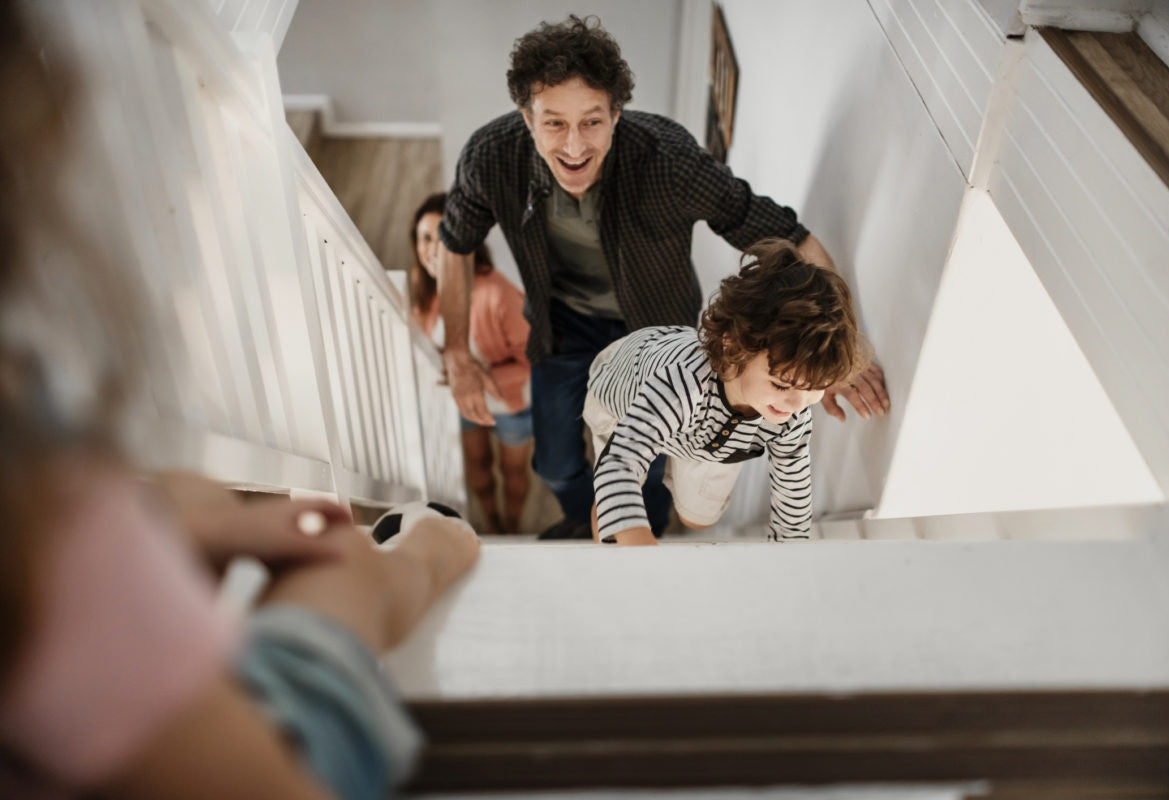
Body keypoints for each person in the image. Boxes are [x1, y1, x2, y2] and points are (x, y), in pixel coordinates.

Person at [0, 5, 479, 798]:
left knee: (192, 491)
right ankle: (439, 538)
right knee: (348, 555)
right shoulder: (36, 495)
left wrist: (171, 528)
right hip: (249, 756)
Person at [436, 14, 888, 541]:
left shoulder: (669, 161)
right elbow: (455, 244)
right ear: (526, 116)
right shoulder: (490, 157)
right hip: (561, 325)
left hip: (655, 332)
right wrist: (456, 351)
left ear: (617, 113)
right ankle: (592, 522)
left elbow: (790, 237)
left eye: (592, 121)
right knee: (555, 464)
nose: (575, 145)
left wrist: (841, 348)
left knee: (646, 463)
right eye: (554, 122)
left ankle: (641, 524)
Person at [585, 239, 866, 546]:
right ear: (733, 347)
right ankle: (610, 511)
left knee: (698, 518)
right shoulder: (681, 385)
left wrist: (790, 554)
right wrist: (638, 542)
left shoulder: (792, 411)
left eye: (814, 389)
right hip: (623, 388)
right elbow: (621, 460)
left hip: (707, 433)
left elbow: (792, 492)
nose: (798, 404)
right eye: (781, 385)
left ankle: (676, 455)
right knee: (617, 496)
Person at [410, 192, 532, 533]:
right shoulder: (423, 291)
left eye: (443, 235)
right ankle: (492, 523)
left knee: (513, 472)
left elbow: (533, 358)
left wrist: (484, 376)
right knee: (478, 468)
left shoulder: (498, 294)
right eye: (425, 238)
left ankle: (513, 524)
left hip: (510, 402)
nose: (433, 247)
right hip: (462, 402)